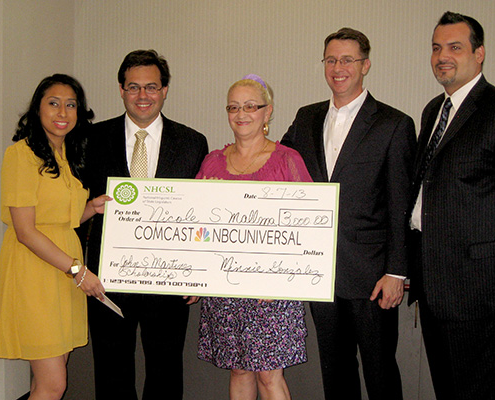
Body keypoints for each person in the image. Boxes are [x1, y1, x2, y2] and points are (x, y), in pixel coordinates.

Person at [408, 11, 495, 400]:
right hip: (434, 287)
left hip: (480, 289)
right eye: (436, 48)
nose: (442, 56)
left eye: (455, 47)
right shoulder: (433, 111)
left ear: (479, 53)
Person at [281, 28, 416, 400]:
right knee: (335, 371)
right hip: (319, 273)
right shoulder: (306, 117)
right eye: (331, 60)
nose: (337, 68)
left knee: (380, 372)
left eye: (347, 60)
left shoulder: (394, 124)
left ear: (365, 65)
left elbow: (400, 204)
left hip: (372, 276)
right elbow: (277, 166)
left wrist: (396, 272)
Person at [83, 49, 208, 399]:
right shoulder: (92, 140)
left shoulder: (192, 143)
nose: (143, 95)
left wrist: (199, 273)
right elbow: (74, 205)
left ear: (165, 90)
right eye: (133, 87)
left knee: (165, 371)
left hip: (168, 280)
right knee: (111, 370)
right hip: (106, 279)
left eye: (151, 87)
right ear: (121, 90)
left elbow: (200, 214)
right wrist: (78, 268)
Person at [0, 74, 109, 399]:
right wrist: (78, 271)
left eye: (71, 105)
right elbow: (26, 231)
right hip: (37, 272)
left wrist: (92, 207)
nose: (63, 112)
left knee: (47, 378)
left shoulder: (67, 156)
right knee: (54, 383)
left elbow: (63, 218)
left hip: (65, 272)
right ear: (38, 109)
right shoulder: (21, 154)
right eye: (54, 103)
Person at [196, 75, 310, 400]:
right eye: (233, 107)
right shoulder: (212, 163)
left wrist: (281, 281)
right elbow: (196, 225)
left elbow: (309, 228)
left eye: (250, 106)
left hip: (272, 289)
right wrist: (193, 274)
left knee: (269, 377)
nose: (241, 114)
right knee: (239, 370)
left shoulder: (288, 161)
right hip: (225, 288)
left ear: (267, 111)